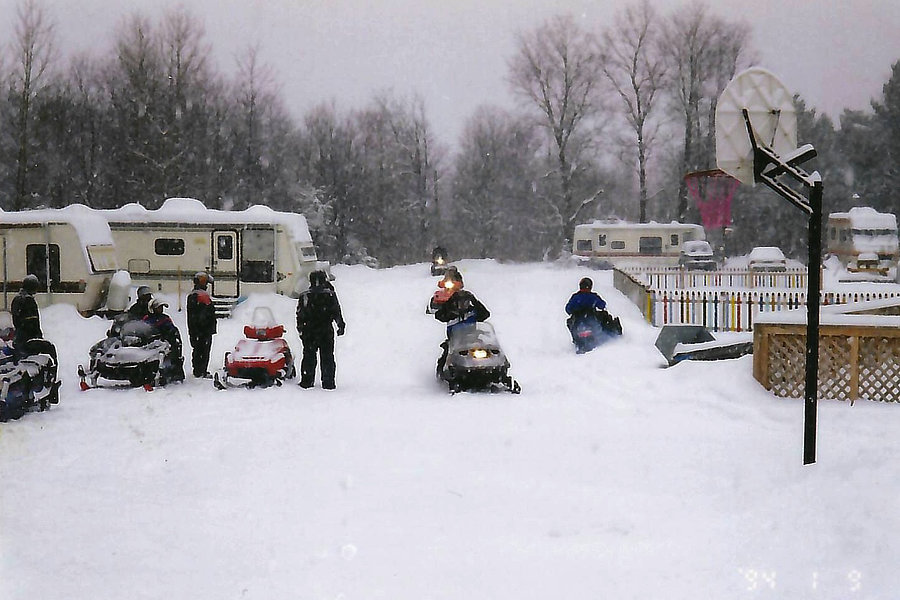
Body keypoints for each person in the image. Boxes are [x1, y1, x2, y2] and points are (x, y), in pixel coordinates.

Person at [296, 270, 345, 389]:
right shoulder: (329, 294)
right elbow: (336, 311)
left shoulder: (305, 295)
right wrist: (340, 325)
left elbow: (300, 314)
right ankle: (328, 382)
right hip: (326, 330)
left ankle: (307, 381)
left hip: (309, 330)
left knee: (309, 355)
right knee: (327, 356)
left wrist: (301, 329)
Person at [434, 271, 490, 372]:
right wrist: (449, 306)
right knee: (446, 355)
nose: (463, 304)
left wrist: (475, 301)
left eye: (466, 302)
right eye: (461, 302)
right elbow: (439, 316)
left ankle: (496, 370)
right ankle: (443, 372)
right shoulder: (451, 312)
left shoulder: (472, 311)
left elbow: (485, 314)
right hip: (455, 342)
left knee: (488, 352)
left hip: (472, 339)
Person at [143, 298, 185, 384]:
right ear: (153, 309)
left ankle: (174, 372)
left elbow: (172, 329)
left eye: (161, 308)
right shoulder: (146, 319)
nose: (161, 310)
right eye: (159, 307)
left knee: (174, 351)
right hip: (149, 342)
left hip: (164, 342)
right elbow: (142, 329)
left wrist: (169, 333)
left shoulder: (165, 318)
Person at [186, 272, 217, 378]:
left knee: (201, 350)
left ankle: (200, 370)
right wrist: (201, 328)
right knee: (201, 350)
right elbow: (199, 315)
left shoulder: (197, 295)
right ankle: (200, 371)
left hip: (201, 330)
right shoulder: (197, 296)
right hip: (201, 330)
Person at [565, 277, 608, 341]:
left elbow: (568, 309)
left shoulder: (575, 297)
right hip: (591, 319)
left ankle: (575, 339)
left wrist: (573, 311)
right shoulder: (593, 296)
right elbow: (602, 305)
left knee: (569, 322)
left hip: (578, 321)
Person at [10, 274, 43, 351]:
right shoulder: (28, 300)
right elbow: (33, 321)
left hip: (19, 337)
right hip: (29, 339)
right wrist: (38, 336)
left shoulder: (17, 299)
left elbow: (16, 319)